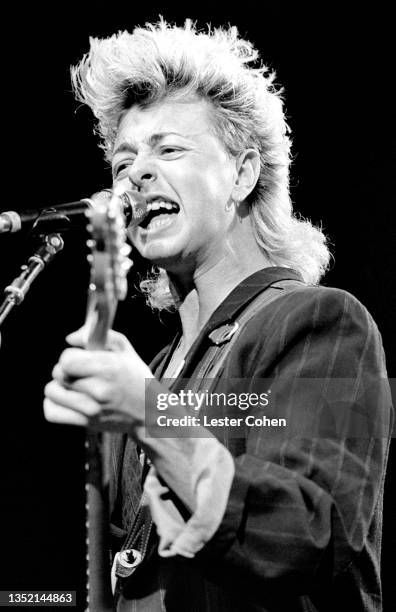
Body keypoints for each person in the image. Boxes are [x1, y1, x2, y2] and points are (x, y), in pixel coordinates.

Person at [44, 19, 392, 611]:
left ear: (242, 172)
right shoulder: (156, 368)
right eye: (123, 160)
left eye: (169, 149)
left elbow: (315, 536)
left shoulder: (324, 322)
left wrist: (148, 411)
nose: (135, 174)